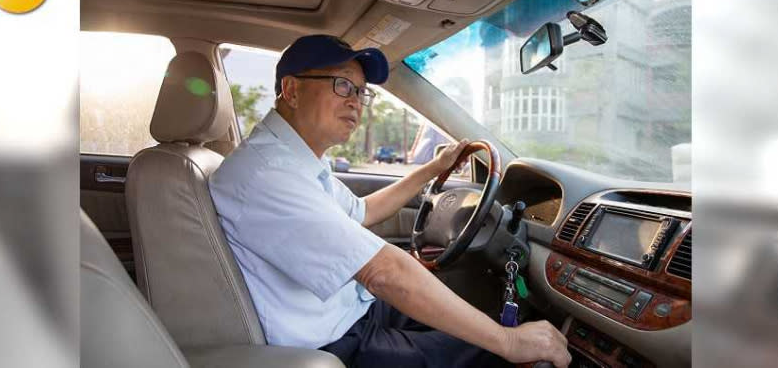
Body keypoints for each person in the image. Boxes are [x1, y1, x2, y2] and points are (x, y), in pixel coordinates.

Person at [208, 35, 571, 368]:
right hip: (335, 343)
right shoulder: (267, 174)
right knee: (491, 350)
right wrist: (508, 342)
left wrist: (434, 168)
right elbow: (383, 272)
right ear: (291, 90)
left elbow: (362, 212)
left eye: (362, 92)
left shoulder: (291, 159)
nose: (355, 102)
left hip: (353, 310)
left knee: (479, 319)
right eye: (342, 84)